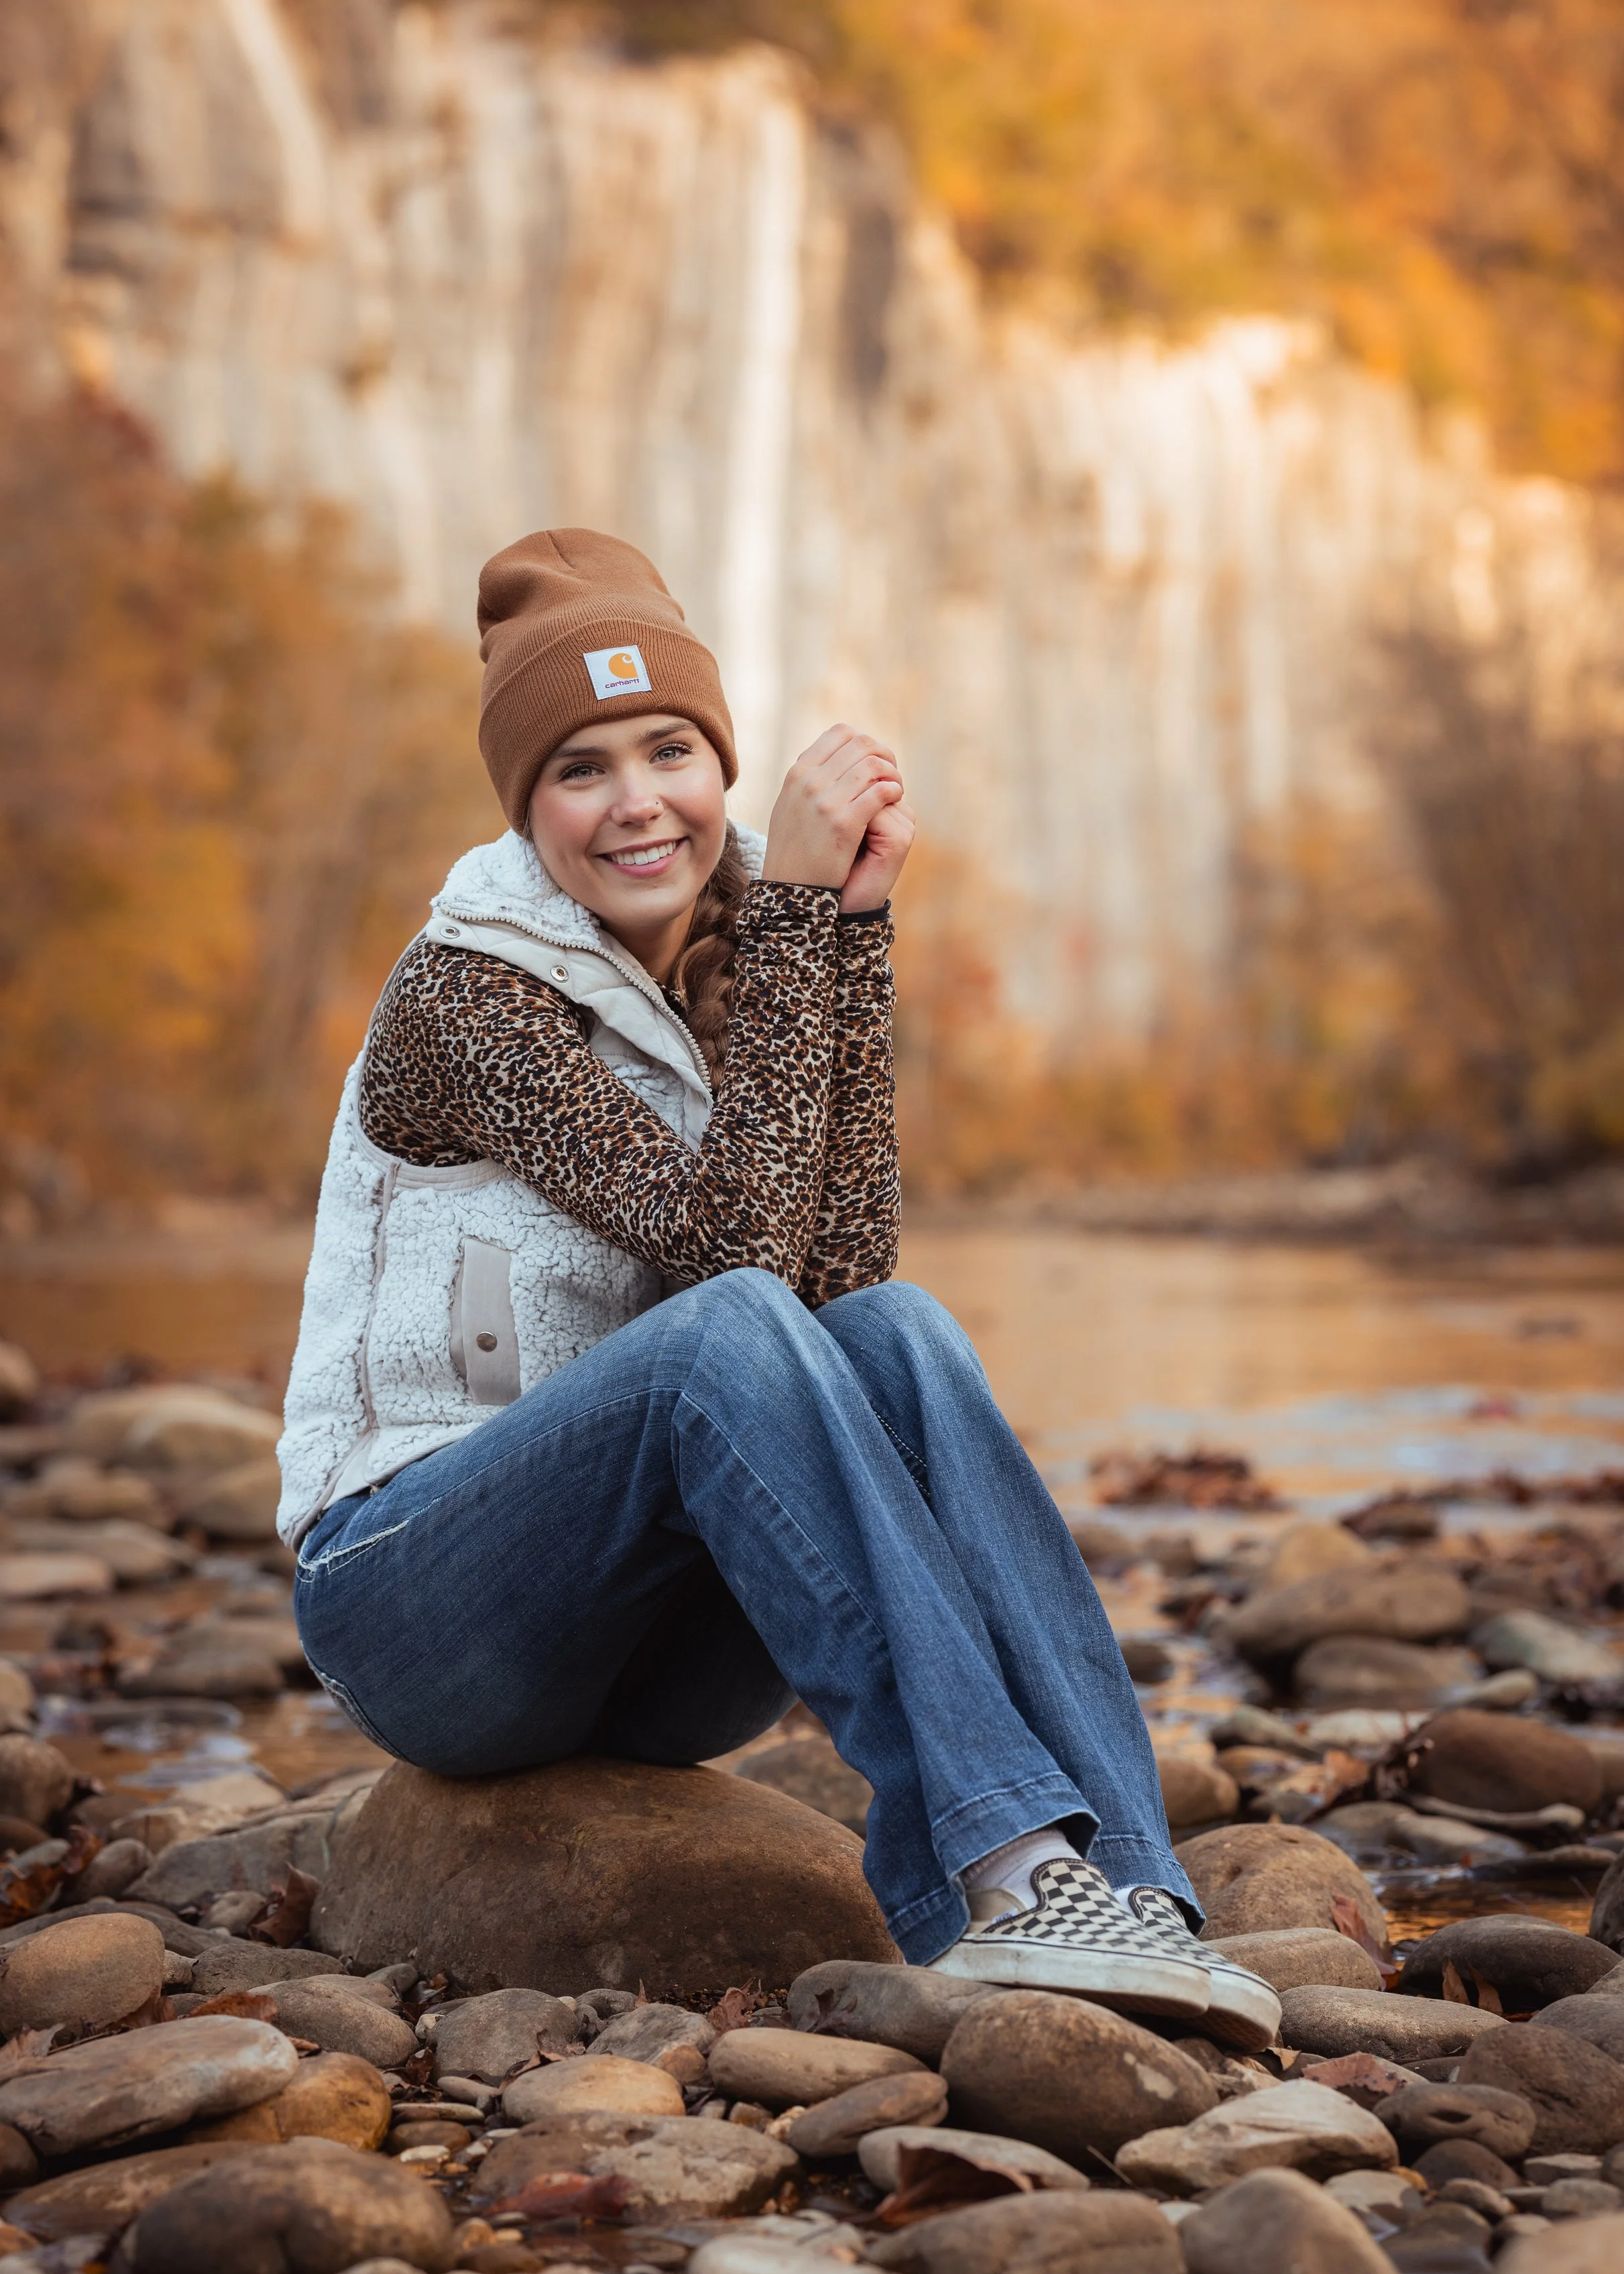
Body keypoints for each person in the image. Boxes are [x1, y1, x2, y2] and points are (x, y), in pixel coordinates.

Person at [278, 528, 1279, 2049]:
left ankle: (1124, 1888)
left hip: (649, 1639)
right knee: (722, 1334)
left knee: (899, 1330)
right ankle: (1001, 1874)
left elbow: (836, 1285)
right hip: (422, 1600)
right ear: (525, 807)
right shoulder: (467, 990)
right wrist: (813, 921)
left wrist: (845, 942)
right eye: (580, 769)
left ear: (718, 765)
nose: (637, 804)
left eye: (668, 750)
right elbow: (734, 1272)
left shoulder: (753, 944)